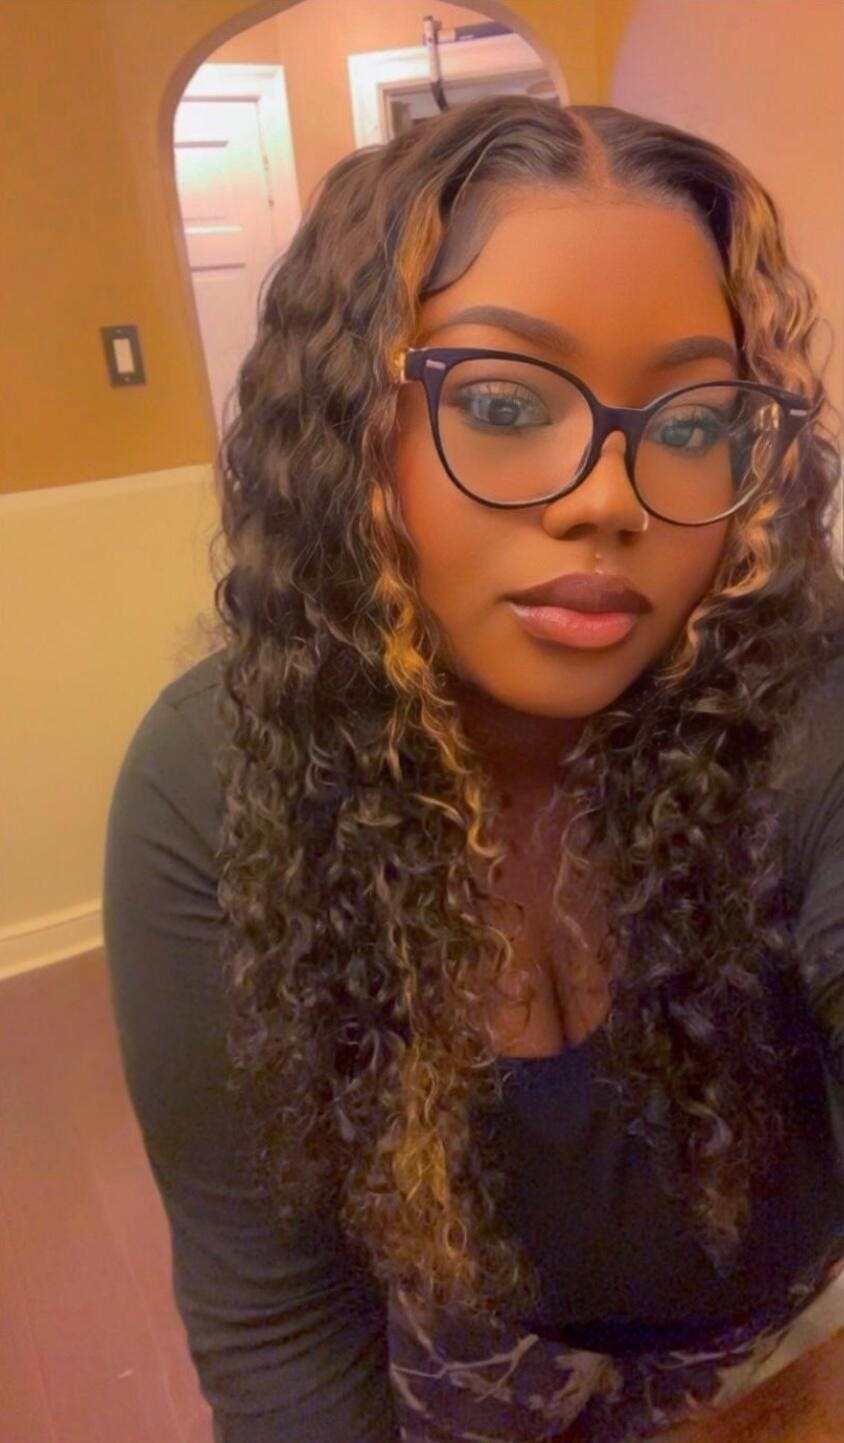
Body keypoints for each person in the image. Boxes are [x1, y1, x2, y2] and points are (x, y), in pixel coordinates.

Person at [102, 96, 844, 1443]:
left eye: (691, 424)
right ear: (349, 428)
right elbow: (278, 1326)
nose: (608, 496)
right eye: (503, 403)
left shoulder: (805, 710)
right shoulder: (215, 783)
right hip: (474, 1374)